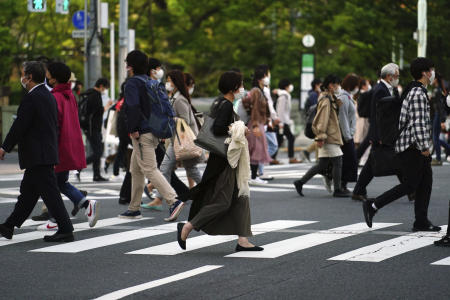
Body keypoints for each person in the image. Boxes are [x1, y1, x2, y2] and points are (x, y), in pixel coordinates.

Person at [176, 71, 263, 252]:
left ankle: (243, 240)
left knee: (241, 198)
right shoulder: (224, 105)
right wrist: (239, 128)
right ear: (233, 87)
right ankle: (188, 226)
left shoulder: (221, 102)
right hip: (225, 162)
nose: (242, 88)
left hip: (230, 159)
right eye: (240, 84)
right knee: (223, 201)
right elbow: (218, 129)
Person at [363, 57, 441, 232]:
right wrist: (425, 148)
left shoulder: (413, 89)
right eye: (431, 70)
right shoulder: (418, 94)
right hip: (413, 147)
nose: (433, 73)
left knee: (424, 183)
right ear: (424, 73)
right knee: (411, 184)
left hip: (412, 146)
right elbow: (418, 123)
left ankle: (421, 221)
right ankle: (373, 205)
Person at [0, 61, 74, 242]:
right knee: (28, 194)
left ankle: (66, 229)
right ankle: (9, 226)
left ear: (30, 77)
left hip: (38, 154)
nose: (22, 78)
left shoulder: (32, 97)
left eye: (23, 74)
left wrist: (4, 147)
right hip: (43, 153)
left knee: (50, 194)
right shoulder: (47, 95)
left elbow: (20, 126)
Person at [118, 50, 182, 221]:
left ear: (129, 65)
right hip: (154, 130)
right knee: (136, 170)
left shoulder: (132, 83)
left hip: (141, 132)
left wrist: (132, 128)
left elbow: (132, 107)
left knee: (150, 169)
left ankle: (172, 200)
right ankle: (134, 208)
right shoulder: (150, 81)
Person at [36, 62, 99, 231]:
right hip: (69, 145)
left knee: (51, 184)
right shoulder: (68, 94)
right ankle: (85, 204)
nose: (45, 75)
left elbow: (54, 125)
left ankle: (58, 217)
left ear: (54, 78)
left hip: (58, 147)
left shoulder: (55, 97)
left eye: (48, 73)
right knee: (60, 183)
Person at [146, 70, 202, 212]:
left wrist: (171, 119)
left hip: (182, 140)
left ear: (176, 82)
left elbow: (186, 120)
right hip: (178, 139)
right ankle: (158, 199)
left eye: (170, 80)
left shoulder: (180, 99)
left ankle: (211, 191)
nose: (168, 83)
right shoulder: (175, 98)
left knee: (171, 168)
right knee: (172, 169)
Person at [293, 75, 349, 198]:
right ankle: (338, 189)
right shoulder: (326, 100)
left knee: (322, 165)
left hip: (329, 135)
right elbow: (322, 120)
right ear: (330, 85)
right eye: (336, 84)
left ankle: (300, 182)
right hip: (328, 136)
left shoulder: (330, 98)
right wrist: (321, 137)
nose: (338, 87)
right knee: (338, 160)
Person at [83, 77, 112, 181]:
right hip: (93, 127)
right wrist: (108, 105)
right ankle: (80, 166)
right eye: (104, 88)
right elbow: (99, 111)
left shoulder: (88, 94)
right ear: (101, 86)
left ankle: (96, 174)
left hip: (90, 127)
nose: (104, 90)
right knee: (98, 152)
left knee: (97, 150)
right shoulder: (95, 95)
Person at [247, 68, 272, 184]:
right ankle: (252, 177)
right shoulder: (256, 91)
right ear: (258, 79)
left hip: (259, 123)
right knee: (256, 150)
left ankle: (253, 176)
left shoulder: (260, 91)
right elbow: (255, 109)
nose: (266, 78)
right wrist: (256, 125)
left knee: (257, 150)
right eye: (264, 76)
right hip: (255, 123)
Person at [256, 65, 278, 180]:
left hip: (266, 121)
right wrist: (274, 118)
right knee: (272, 145)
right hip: (265, 122)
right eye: (267, 75)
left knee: (266, 146)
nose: (268, 77)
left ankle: (259, 168)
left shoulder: (263, 89)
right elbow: (268, 105)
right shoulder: (263, 90)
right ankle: (258, 166)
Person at [338, 73, 358, 192]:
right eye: (356, 85)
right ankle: (341, 184)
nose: (357, 88)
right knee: (350, 160)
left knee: (347, 160)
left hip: (348, 133)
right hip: (345, 135)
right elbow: (343, 117)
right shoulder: (344, 97)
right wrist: (347, 135)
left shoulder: (347, 96)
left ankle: (343, 184)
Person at [273, 78, 301, 163]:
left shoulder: (285, 95)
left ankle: (272, 158)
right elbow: (280, 110)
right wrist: (281, 123)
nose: (290, 87)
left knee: (280, 139)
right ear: (286, 87)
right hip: (282, 122)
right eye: (289, 85)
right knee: (290, 138)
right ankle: (291, 157)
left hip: (283, 122)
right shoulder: (283, 96)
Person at [430, 72, 450, 166]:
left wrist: (442, 120)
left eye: (432, 78)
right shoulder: (438, 89)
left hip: (439, 115)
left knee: (435, 137)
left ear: (436, 80)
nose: (431, 80)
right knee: (435, 137)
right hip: (437, 115)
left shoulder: (438, 90)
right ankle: (448, 148)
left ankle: (438, 158)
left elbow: (441, 106)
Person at [302, 78, 322, 162]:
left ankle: (307, 151)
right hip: (314, 119)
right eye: (321, 85)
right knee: (319, 137)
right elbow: (317, 107)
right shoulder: (314, 95)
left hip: (314, 119)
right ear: (317, 85)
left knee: (319, 137)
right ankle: (318, 159)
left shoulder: (314, 94)